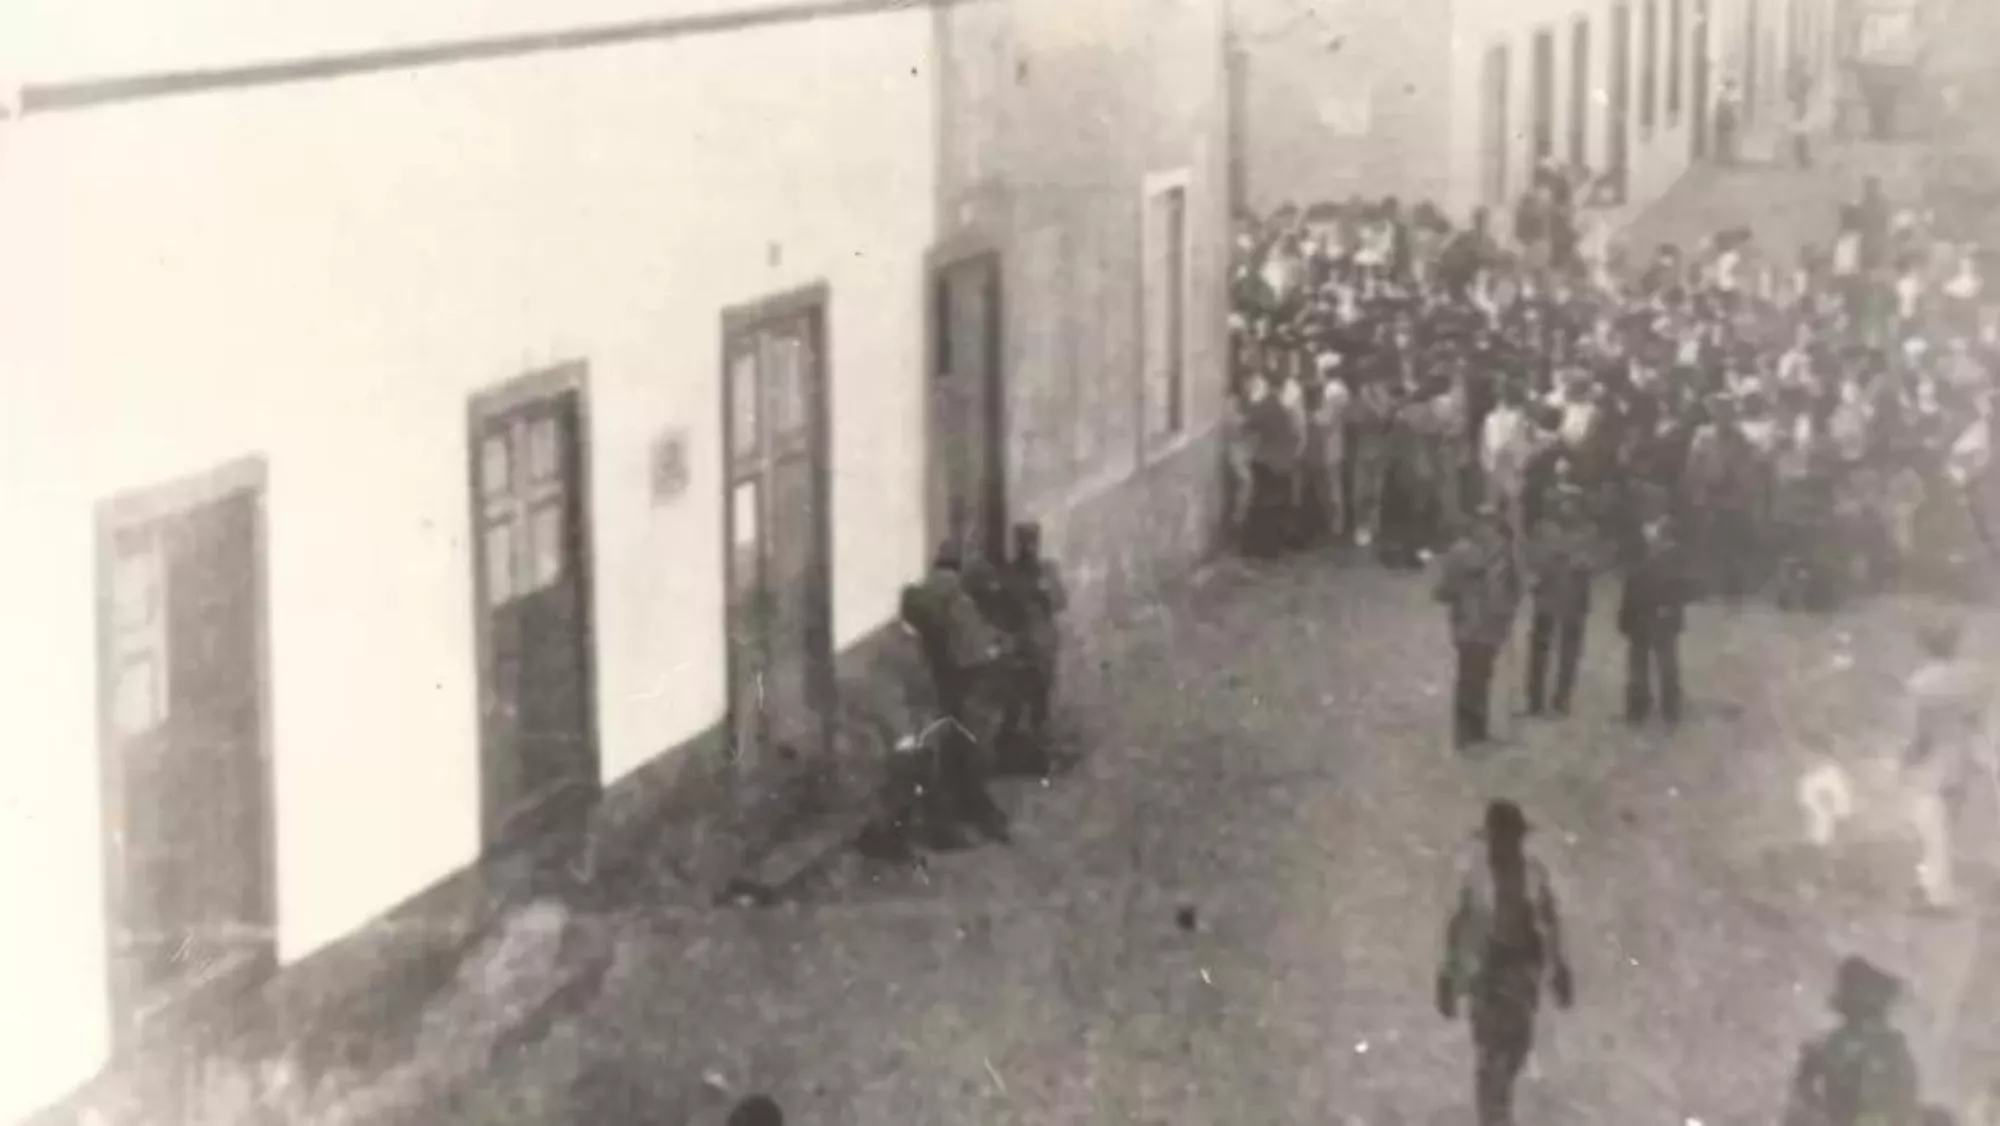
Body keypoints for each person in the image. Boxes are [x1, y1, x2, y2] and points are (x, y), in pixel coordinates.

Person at [1436, 800, 1574, 1126]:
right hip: (1488, 973)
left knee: (1514, 1049)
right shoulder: (1478, 878)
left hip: (1521, 974)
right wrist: (1449, 975)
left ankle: (1497, 1109)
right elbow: (1460, 926)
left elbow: (1548, 922)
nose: (1503, 844)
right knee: (1489, 1051)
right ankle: (1493, 1115)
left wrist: (1558, 968)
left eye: (1509, 837)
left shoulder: (1532, 875)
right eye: (1499, 837)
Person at [915, 542, 1013, 843]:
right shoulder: (957, 598)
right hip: (964, 683)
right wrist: (997, 648)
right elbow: (975, 648)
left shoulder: (925, 593)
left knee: (948, 749)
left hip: (935, 683)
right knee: (968, 747)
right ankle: (968, 814)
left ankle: (964, 811)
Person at [1900, 620, 1990, 911]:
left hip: (1932, 761)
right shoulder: (1970, 680)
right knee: (1951, 826)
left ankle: (1936, 889)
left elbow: (1918, 731)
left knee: (1931, 827)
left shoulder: (1920, 683)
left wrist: (1908, 757)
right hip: (1962, 757)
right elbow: (1977, 722)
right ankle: (1935, 882)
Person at [1783, 957, 1920, 1126]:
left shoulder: (1895, 1050)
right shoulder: (1827, 1046)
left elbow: (1906, 1100)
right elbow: (1802, 1093)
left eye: (1872, 1017)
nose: (1868, 1027)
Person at [1434, 505, 1523, 750]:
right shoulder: (1460, 552)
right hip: (1468, 624)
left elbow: (1516, 585)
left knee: (1482, 676)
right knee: (1468, 678)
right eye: (1482, 523)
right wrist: (1463, 582)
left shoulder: (1505, 553)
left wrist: (1507, 609)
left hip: (1492, 624)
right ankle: (1465, 735)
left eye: (1490, 524)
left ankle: (1479, 731)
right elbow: (1443, 592)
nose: (1486, 529)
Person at [996, 521, 1068, 775]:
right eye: (1023, 542)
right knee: (1015, 701)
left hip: (1042, 644)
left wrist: (1045, 592)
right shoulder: (1009, 574)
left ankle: (1039, 757)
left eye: (1031, 542)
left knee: (1040, 701)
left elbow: (1060, 601)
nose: (1027, 547)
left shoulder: (1047, 570)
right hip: (1019, 644)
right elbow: (1001, 610)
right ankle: (1010, 756)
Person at [1524, 486, 1596, 718]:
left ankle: (1562, 698)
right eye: (1563, 502)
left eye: (1571, 502)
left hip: (1575, 599)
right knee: (1540, 650)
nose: (1567, 508)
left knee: (1569, 652)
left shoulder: (1588, 531)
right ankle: (1535, 700)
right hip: (1547, 598)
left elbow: (1596, 561)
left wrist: (1583, 563)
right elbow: (1532, 559)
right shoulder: (1543, 530)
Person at [1618, 509, 1693, 727]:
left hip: (1662, 618)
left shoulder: (1676, 557)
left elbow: (1683, 588)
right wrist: (1626, 615)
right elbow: (1631, 586)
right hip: (1640, 618)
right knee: (1639, 666)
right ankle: (1638, 708)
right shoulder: (1644, 556)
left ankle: (1669, 710)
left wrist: (1669, 606)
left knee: (1665, 665)